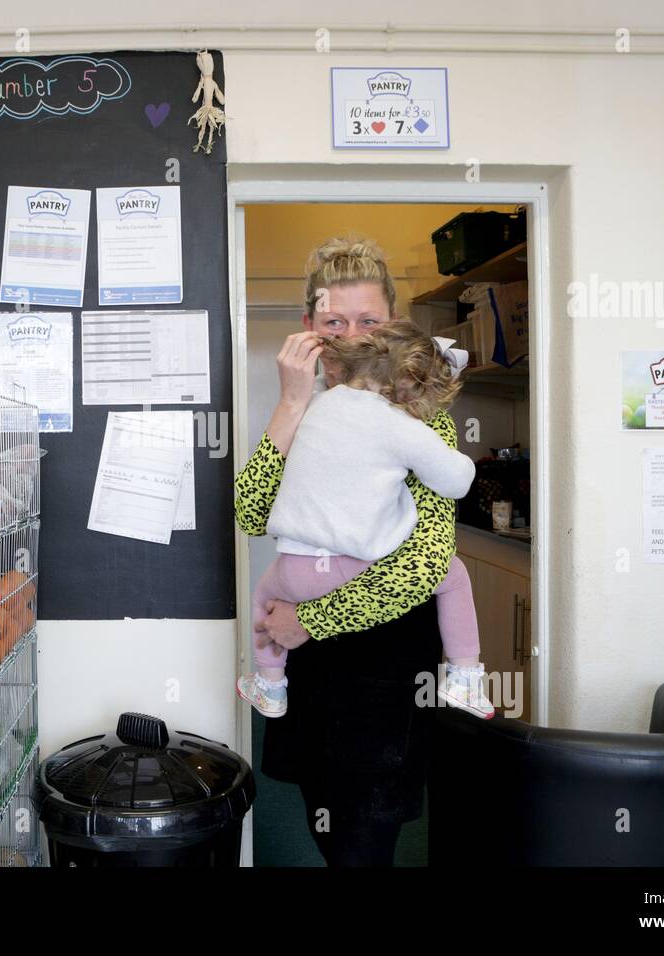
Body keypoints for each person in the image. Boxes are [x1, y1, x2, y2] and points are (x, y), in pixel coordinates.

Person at [234, 235, 468, 866]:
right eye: (334, 320)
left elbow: (423, 564)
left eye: (370, 320)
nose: (353, 335)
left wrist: (306, 621)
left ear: (393, 325)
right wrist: (290, 401)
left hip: (386, 666)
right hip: (310, 671)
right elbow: (251, 514)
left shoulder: (422, 421)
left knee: (366, 843)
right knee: (329, 829)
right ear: (308, 328)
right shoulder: (306, 416)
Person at [237, 321, 495, 721]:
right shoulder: (406, 426)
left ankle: (269, 683)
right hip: (352, 569)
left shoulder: (315, 406)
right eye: (336, 322)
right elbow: (458, 481)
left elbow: (253, 518)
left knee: (261, 597)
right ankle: (464, 677)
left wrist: (293, 401)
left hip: (292, 571)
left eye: (367, 322)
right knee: (454, 574)